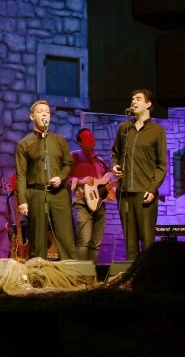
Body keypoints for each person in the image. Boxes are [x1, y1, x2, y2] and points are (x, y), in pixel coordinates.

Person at [15, 100, 76, 260]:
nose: (44, 114)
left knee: (66, 237)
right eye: (40, 111)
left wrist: (61, 177)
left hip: (58, 194)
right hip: (36, 193)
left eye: (47, 112)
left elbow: (68, 164)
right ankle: (37, 272)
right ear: (32, 116)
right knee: (37, 241)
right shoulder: (25, 143)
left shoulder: (59, 141)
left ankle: (71, 272)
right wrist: (22, 200)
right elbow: (21, 173)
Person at [111, 89, 167, 261]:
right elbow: (115, 153)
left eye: (138, 99)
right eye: (132, 99)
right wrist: (114, 166)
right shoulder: (124, 128)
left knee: (147, 239)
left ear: (148, 104)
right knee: (130, 241)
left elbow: (162, 165)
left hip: (145, 193)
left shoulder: (157, 131)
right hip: (125, 192)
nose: (133, 101)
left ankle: (147, 274)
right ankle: (131, 275)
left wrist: (153, 188)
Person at [67, 128, 115, 265]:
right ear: (80, 142)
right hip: (81, 203)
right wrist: (81, 181)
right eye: (86, 137)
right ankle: (81, 274)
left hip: (99, 204)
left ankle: (92, 274)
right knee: (84, 241)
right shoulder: (74, 156)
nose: (91, 138)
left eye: (91, 136)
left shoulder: (100, 161)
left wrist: (112, 190)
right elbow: (65, 179)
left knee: (95, 244)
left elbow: (106, 182)